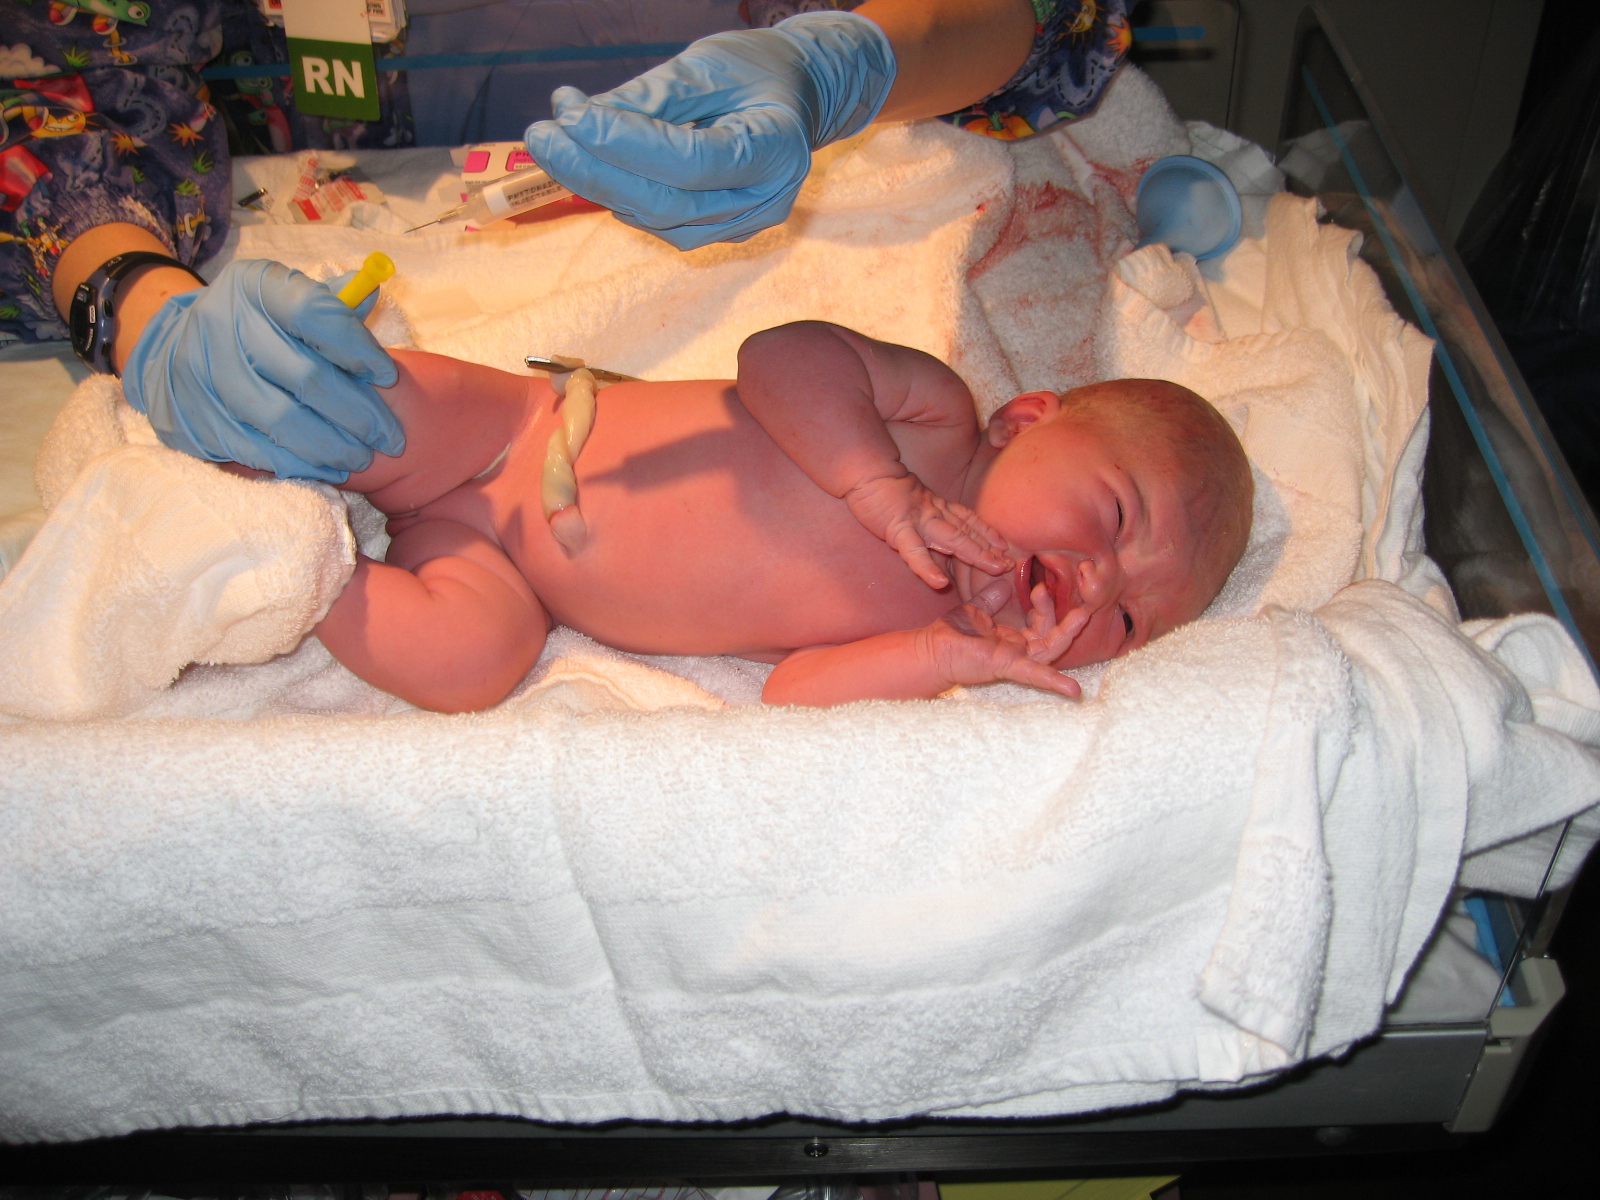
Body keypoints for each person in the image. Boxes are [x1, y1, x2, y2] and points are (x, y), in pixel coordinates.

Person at [6, 1, 1130, 488]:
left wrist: (846, 65)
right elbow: (52, 77)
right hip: (318, 166)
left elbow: (1037, 14)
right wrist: (136, 304)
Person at [286, 320, 1251, 712]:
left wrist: (945, 658)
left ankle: (286, 551)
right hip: (512, 432)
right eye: (1114, 514)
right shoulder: (933, 420)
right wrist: (875, 482)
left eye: (1131, 619)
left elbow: (792, 692)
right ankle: (246, 425)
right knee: (349, 407)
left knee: (469, 666)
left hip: (510, 574)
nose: (1099, 581)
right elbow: (780, 357)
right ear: (1026, 420)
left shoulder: (929, 623)